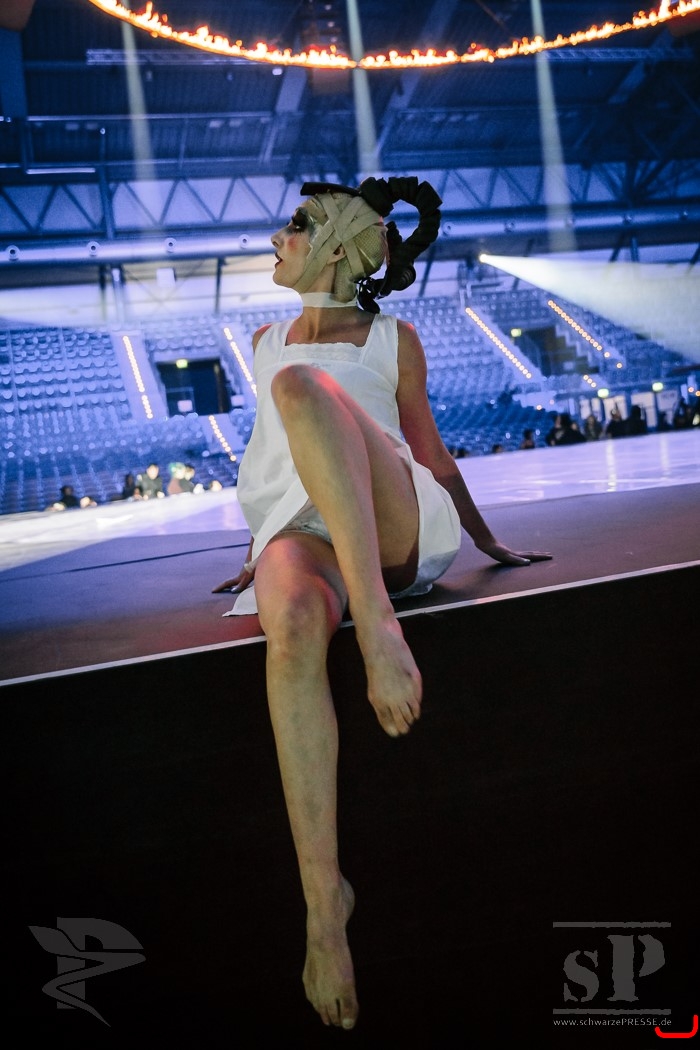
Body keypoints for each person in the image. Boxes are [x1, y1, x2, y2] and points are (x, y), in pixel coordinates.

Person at [212, 177, 551, 1031]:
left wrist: (487, 539)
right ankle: (324, 905)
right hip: (299, 528)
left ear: (335, 248)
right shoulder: (262, 341)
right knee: (291, 626)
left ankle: (378, 628)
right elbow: (271, 457)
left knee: (301, 389)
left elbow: (430, 455)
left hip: (390, 524)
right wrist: (250, 556)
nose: (277, 237)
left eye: (296, 226)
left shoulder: (393, 339)